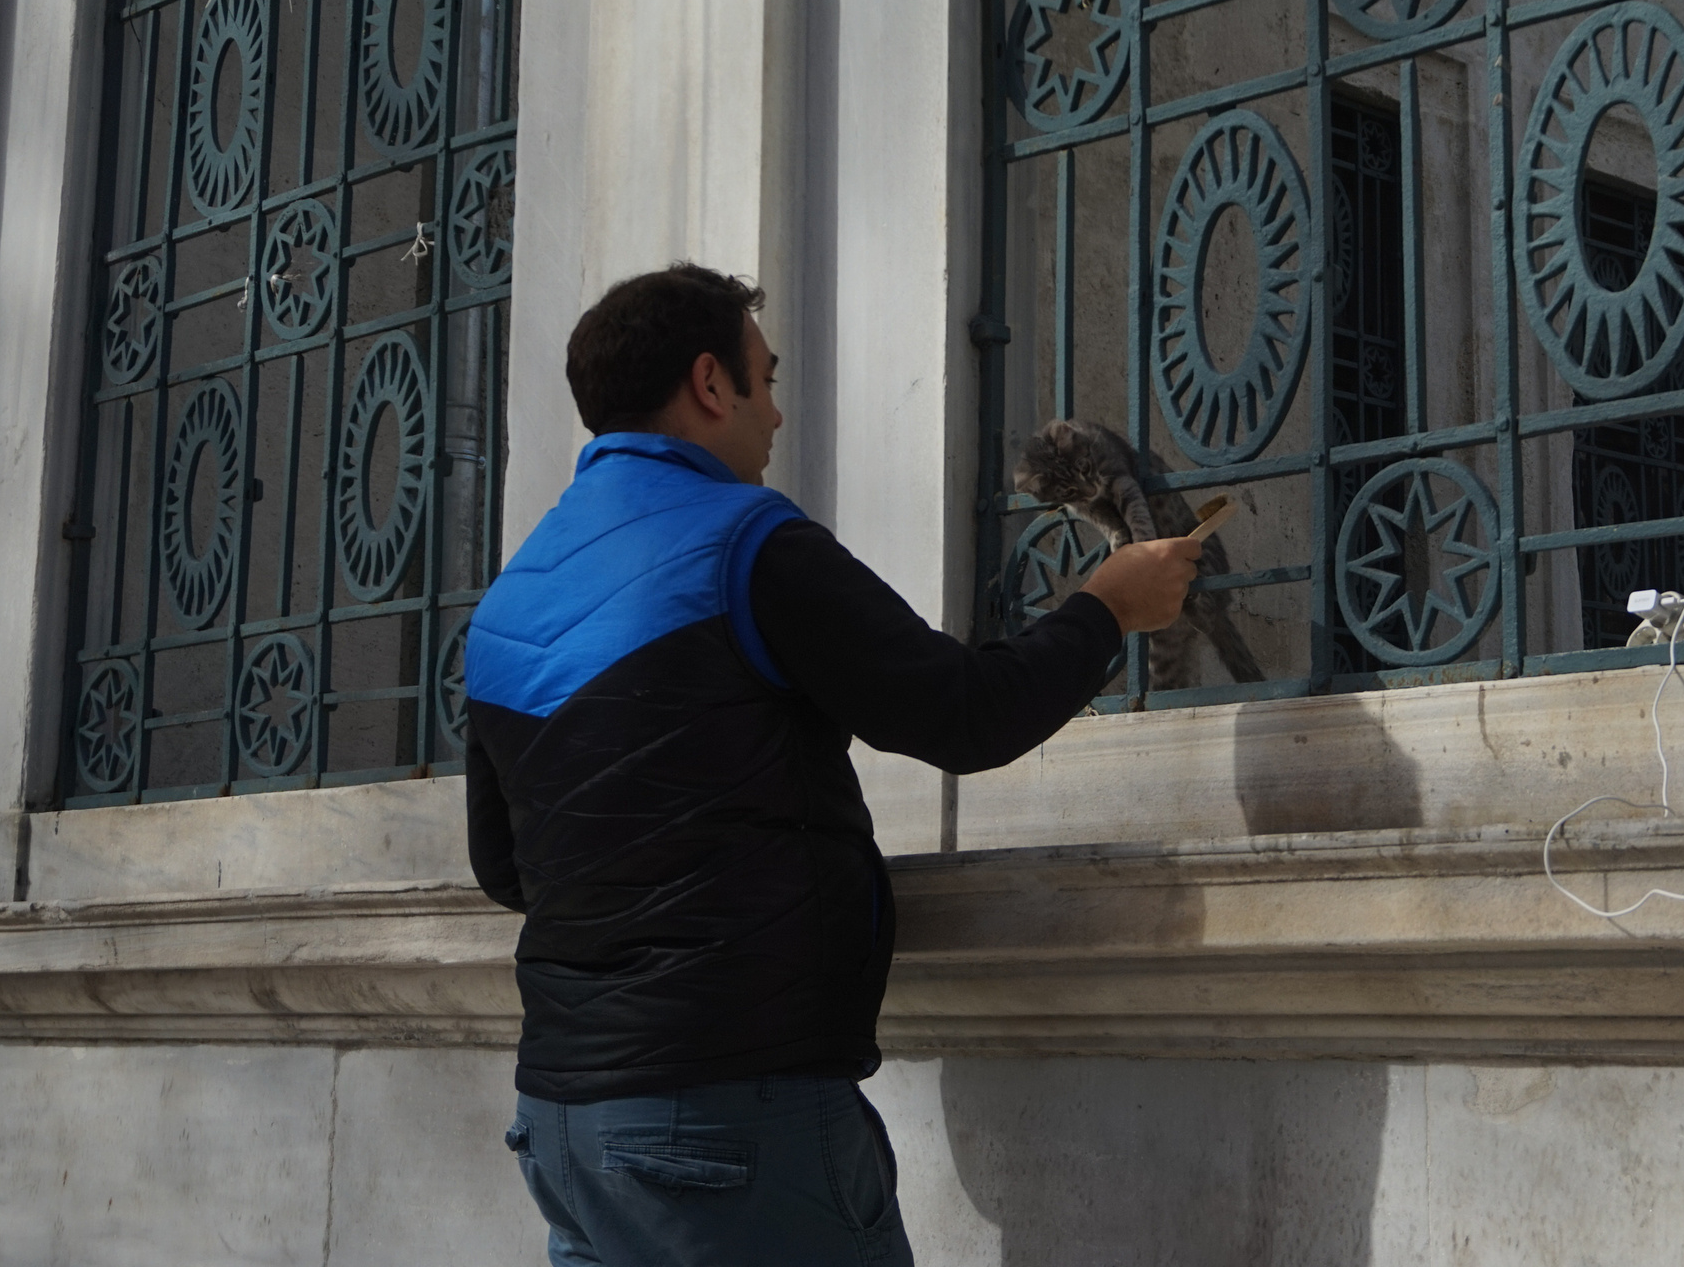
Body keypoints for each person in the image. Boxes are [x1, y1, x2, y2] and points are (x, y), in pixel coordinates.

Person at [463, 263, 1199, 1265]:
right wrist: (1105, 608)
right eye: (765, 381)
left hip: (561, 1128)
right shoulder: (748, 544)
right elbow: (965, 715)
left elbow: (507, 869)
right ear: (710, 384)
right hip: (728, 1119)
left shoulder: (507, 602)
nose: (775, 415)